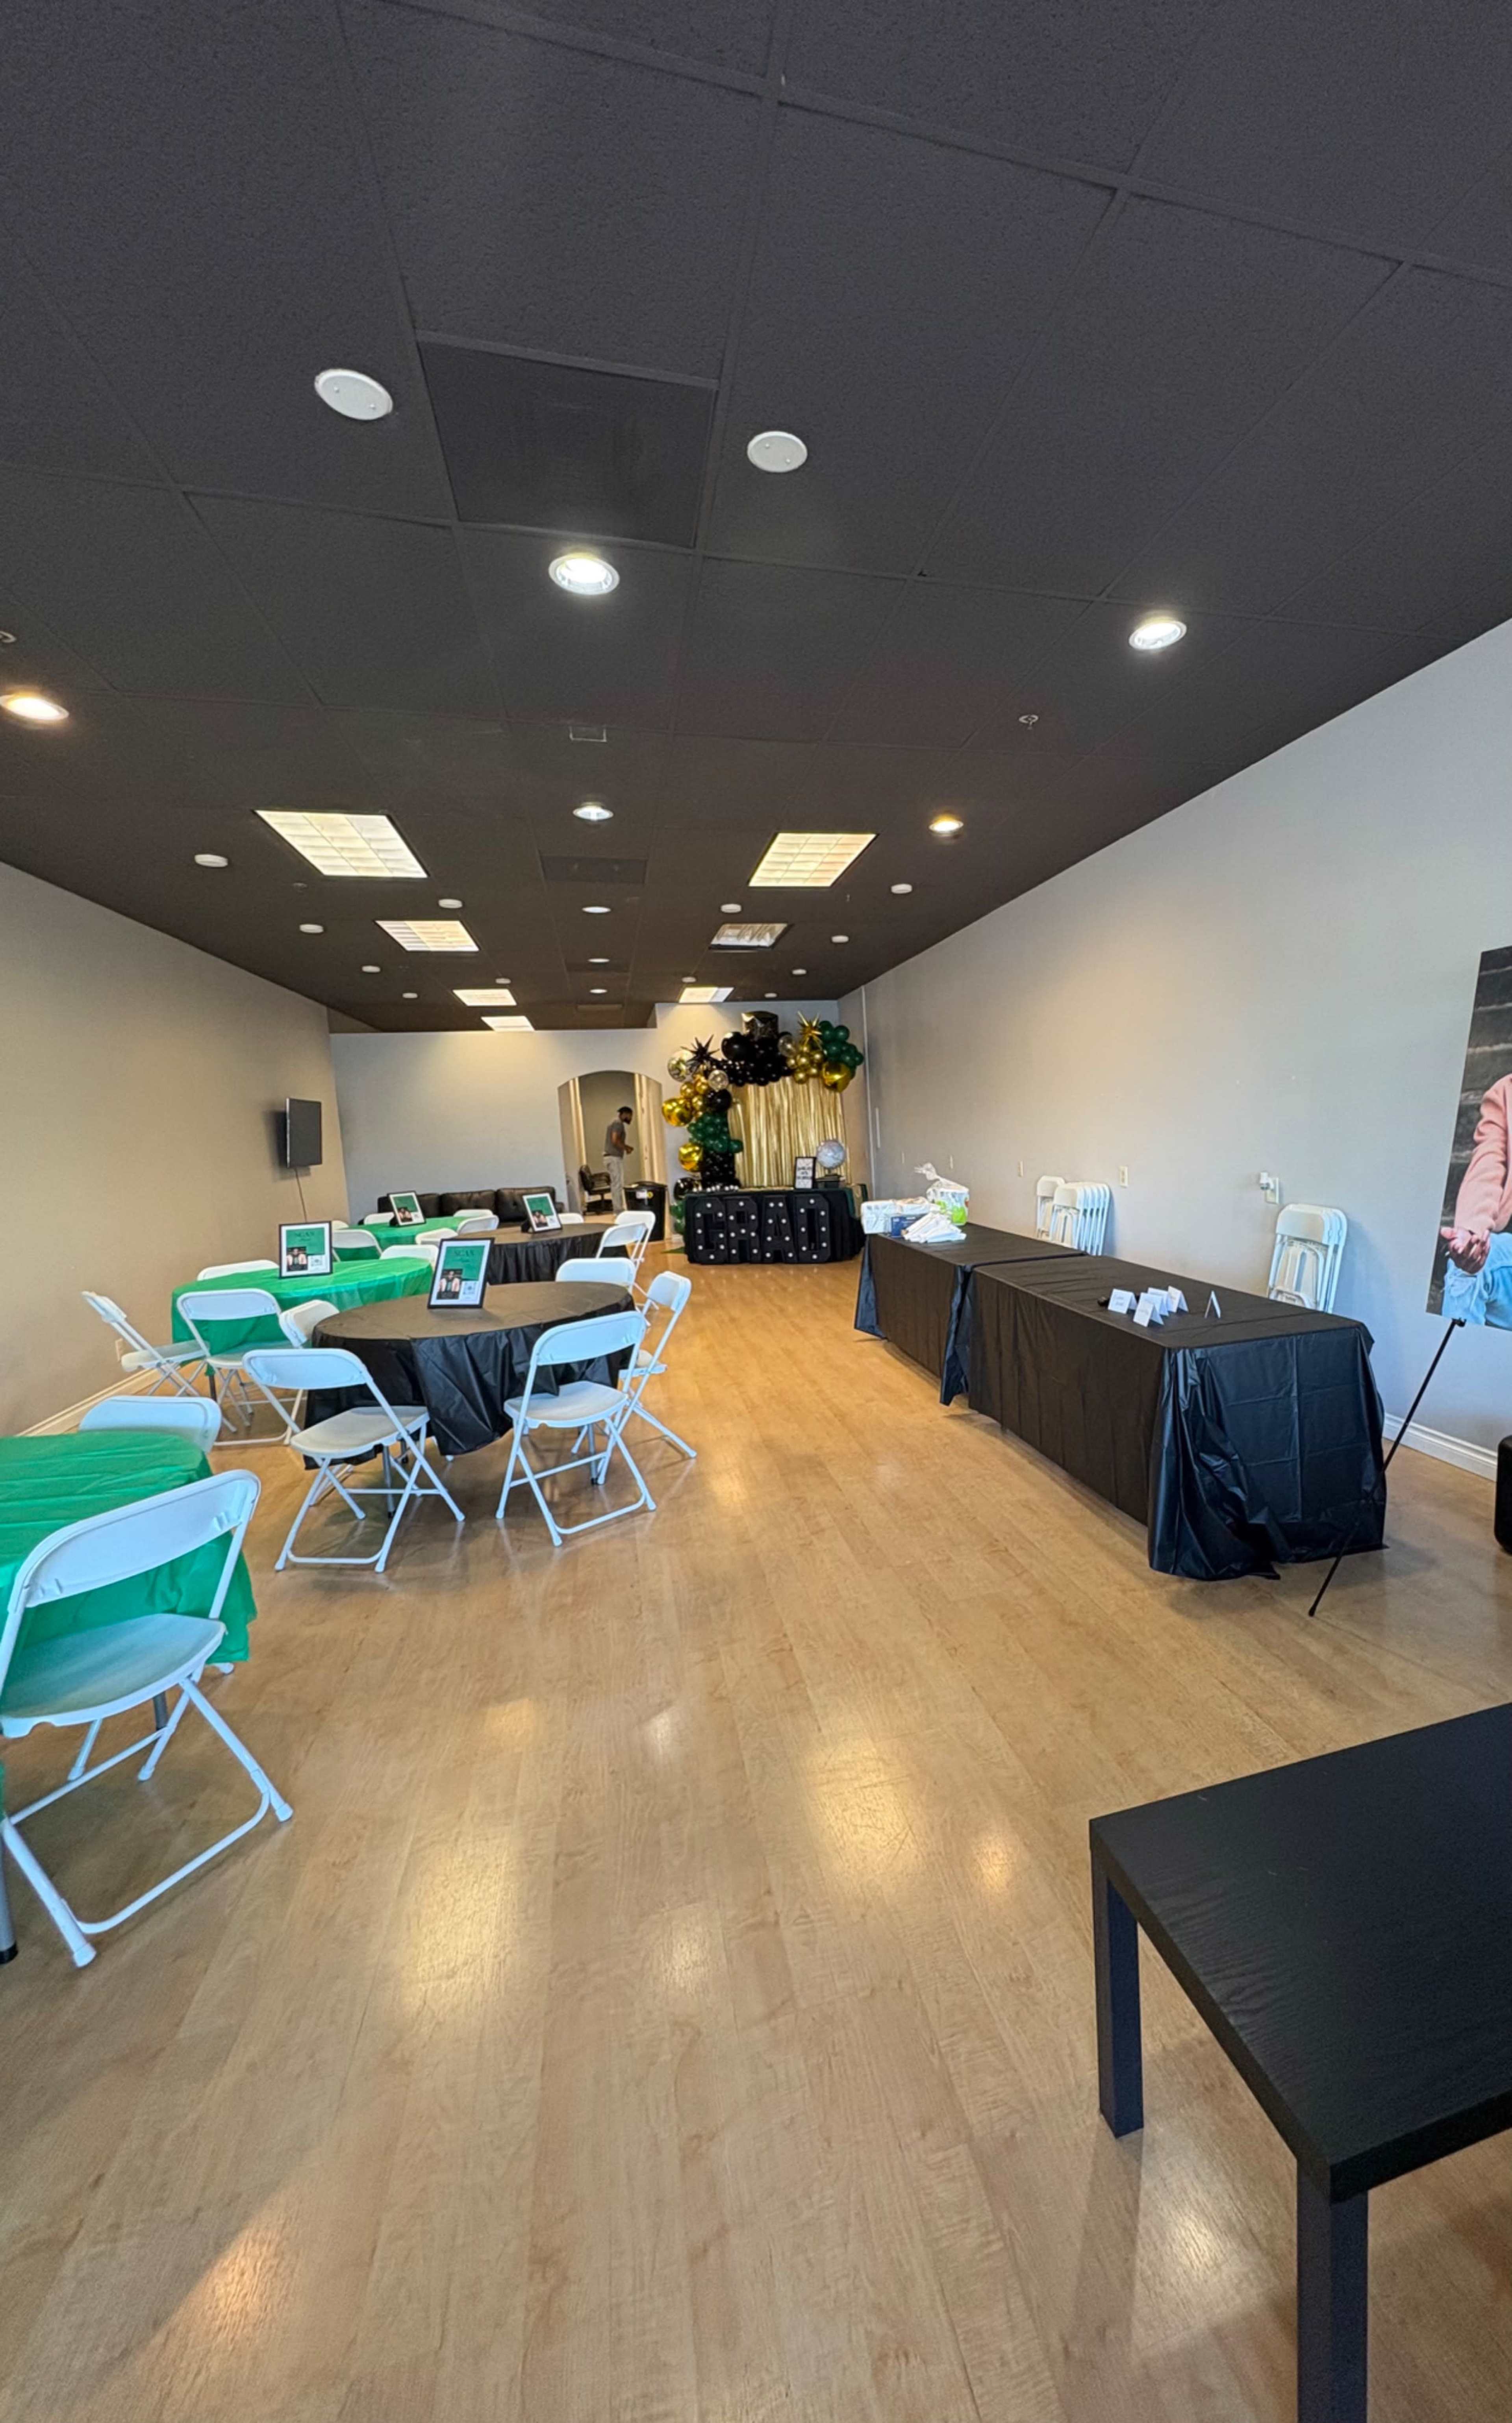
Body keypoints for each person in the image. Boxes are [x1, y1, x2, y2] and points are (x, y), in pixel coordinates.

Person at [1442, 1072, 1512, 1324]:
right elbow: (1488, 1163)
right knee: (1469, 1264)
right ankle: (1457, 1349)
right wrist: (1472, 1233)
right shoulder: (1506, 1092)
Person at [604, 1102, 634, 1213]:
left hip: (610, 1158)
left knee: (616, 1183)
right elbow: (615, 1140)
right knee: (617, 1184)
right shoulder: (618, 1124)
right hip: (614, 1158)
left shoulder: (614, 1123)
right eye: (630, 1116)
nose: (631, 1119)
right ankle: (618, 1210)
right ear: (625, 1114)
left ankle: (618, 1208)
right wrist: (627, 1148)